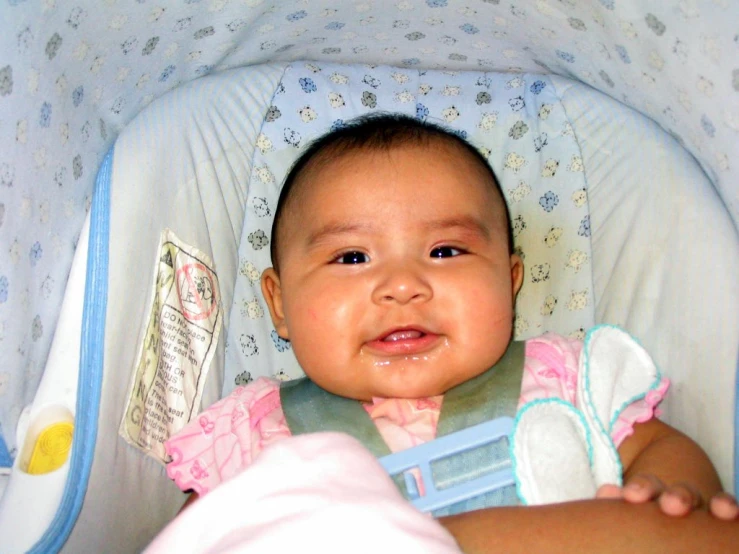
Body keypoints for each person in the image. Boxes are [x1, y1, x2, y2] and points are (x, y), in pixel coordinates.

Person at [164, 114, 737, 551]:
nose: (402, 285)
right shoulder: (252, 432)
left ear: (510, 281)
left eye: (445, 250)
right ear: (279, 303)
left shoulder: (566, 377)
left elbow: (660, 449)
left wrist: (664, 487)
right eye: (351, 257)